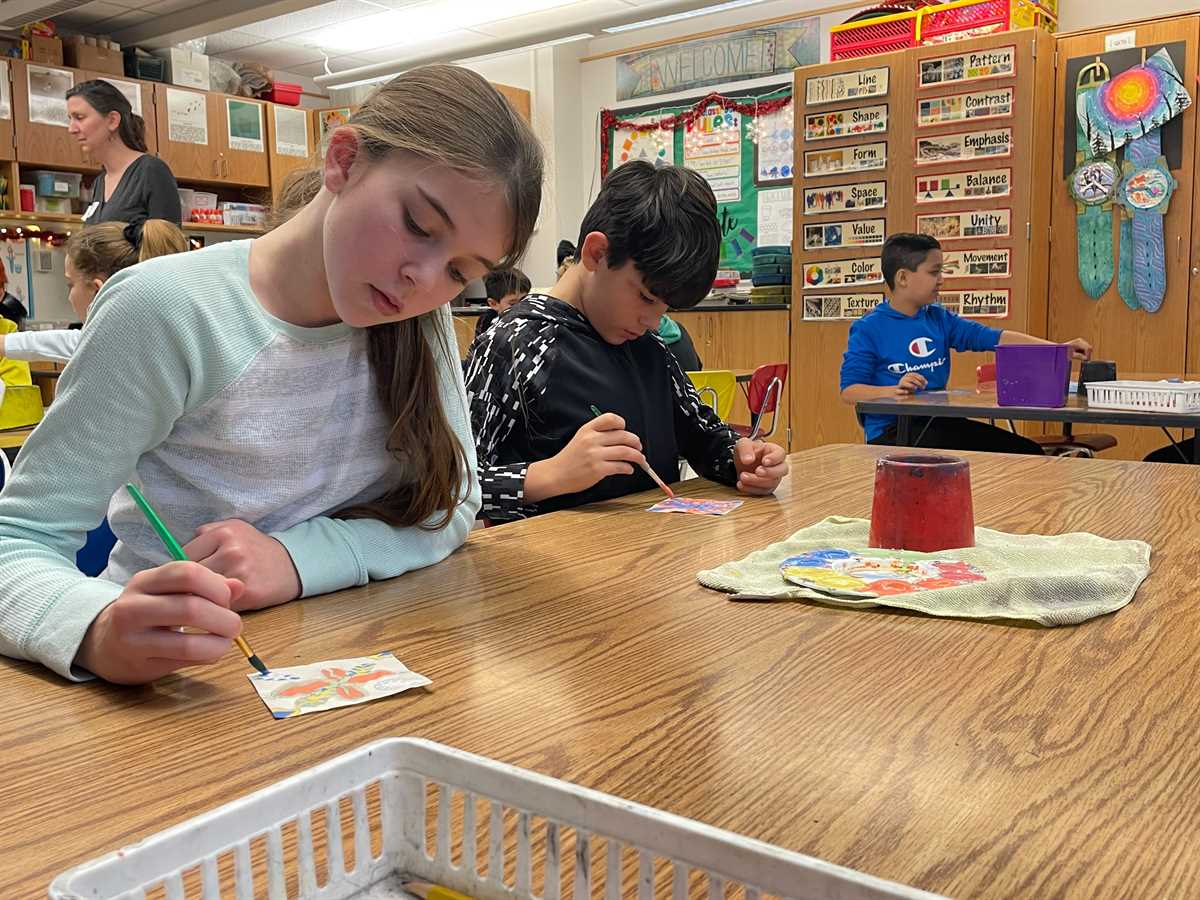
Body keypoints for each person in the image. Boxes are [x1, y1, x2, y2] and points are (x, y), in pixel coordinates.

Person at [0, 64, 543, 684]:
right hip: (176, 677)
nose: (425, 279)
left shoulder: (418, 317)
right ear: (344, 160)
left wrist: (294, 558)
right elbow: (15, 540)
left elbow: (452, 505)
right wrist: (94, 628)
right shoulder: (164, 308)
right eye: (419, 226)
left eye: (459, 271)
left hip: (352, 652)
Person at [464, 160, 787, 523]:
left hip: (652, 559)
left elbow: (705, 437)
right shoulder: (513, 343)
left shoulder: (651, 350)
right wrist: (550, 475)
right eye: (647, 298)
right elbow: (451, 492)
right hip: (552, 571)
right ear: (597, 254)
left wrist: (742, 459)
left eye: (667, 308)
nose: (653, 322)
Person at [840, 233, 1092, 454]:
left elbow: (994, 337)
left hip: (938, 423)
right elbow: (850, 392)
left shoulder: (939, 318)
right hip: (893, 434)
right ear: (903, 278)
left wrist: (1058, 347)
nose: (941, 279)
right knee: (1006, 457)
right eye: (933, 272)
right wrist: (893, 390)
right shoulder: (868, 328)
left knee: (1027, 451)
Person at [0, 220, 188, 363]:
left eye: (70, 284)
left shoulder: (120, 355)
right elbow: (81, 341)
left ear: (99, 291)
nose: (69, 296)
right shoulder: (166, 338)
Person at [67, 80, 182, 226]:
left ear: (112, 120)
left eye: (79, 118)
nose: (71, 129)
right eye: (70, 119)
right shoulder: (100, 182)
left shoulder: (151, 171)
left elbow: (168, 243)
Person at [474, 267, 530, 338]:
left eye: (524, 300)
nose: (521, 306)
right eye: (513, 304)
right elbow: (479, 347)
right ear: (493, 304)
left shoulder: (533, 318)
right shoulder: (486, 322)